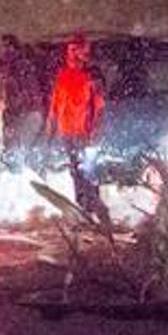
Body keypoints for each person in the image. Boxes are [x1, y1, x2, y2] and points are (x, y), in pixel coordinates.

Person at [46, 33, 109, 221]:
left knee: (88, 171)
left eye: (77, 50)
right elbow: (55, 104)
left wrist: (96, 130)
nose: (73, 55)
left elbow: (99, 107)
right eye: (71, 50)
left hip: (84, 133)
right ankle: (82, 208)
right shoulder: (63, 75)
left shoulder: (91, 76)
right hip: (67, 131)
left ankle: (95, 209)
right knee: (76, 171)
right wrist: (51, 126)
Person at [0, 34, 47, 170]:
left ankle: (27, 175)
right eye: (3, 47)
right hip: (25, 112)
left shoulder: (19, 67)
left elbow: (23, 92)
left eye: (7, 47)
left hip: (28, 113)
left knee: (20, 148)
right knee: (18, 148)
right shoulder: (12, 67)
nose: (4, 51)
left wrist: (16, 108)